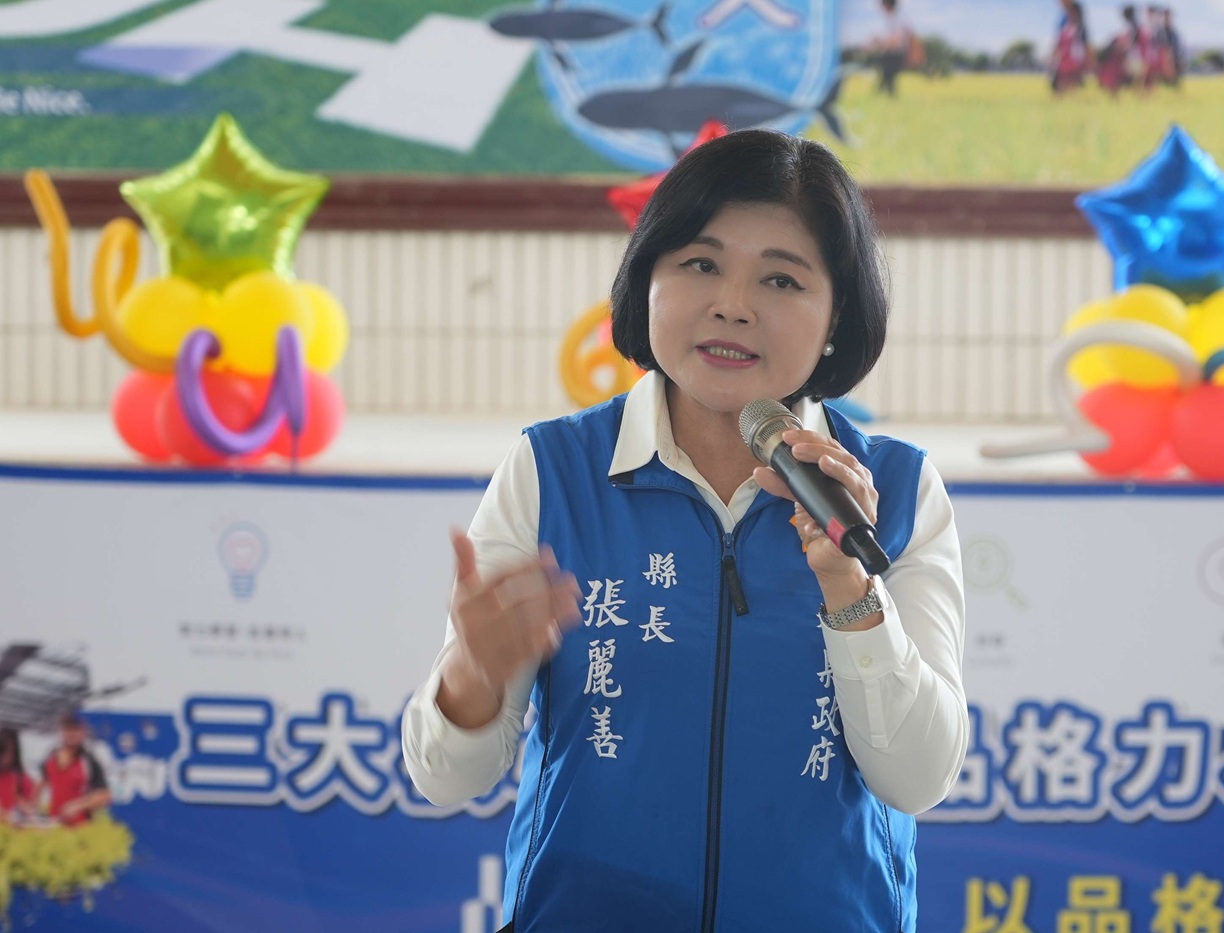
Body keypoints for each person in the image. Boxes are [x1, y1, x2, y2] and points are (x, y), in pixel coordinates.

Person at [402, 129, 967, 931]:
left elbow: (919, 778)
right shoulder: (553, 471)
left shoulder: (897, 493)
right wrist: (473, 676)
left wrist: (851, 589)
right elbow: (443, 778)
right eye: (700, 264)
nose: (732, 304)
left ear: (837, 316)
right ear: (647, 281)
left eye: (781, 278)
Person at [38, 712, 112, 827]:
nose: (71, 734)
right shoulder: (51, 756)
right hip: (53, 825)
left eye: (75, 730)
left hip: (80, 827)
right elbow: (41, 782)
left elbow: (105, 795)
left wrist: (78, 806)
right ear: (62, 731)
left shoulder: (89, 761)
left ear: (83, 732)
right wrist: (31, 807)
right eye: (68, 729)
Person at [869, 0, 917, 96]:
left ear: (888, 4)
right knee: (886, 75)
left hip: (896, 52)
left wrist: (881, 42)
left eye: (883, 5)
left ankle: (886, 96)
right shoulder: (892, 18)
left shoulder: (898, 18)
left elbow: (898, 38)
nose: (882, 8)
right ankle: (882, 95)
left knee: (888, 75)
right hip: (891, 52)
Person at [1050, 0, 1090, 94]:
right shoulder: (1065, 24)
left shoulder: (1080, 28)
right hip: (1064, 60)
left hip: (1073, 62)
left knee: (1071, 87)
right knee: (1060, 86)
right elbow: (1059, 42)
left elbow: (1085, 46)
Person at [0, 727, 36, 822]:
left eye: (11, 751)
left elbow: (31, 812)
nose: (6, 757)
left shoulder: (24, 780)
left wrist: (25, 807)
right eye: (2, 751)